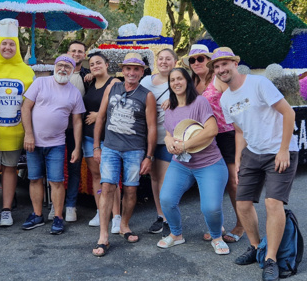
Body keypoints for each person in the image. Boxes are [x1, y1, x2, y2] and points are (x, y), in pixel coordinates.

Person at [210, 47, 299, 281]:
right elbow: (239, 131)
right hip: (253, 152)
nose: (221, 69)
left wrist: (283, 150)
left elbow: (289, 114)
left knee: (272, 203)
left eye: (224, 64)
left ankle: (271, 260)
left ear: (235, 63)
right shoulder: (226, 98)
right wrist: (239, 159)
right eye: (216, 67)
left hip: (279, 150)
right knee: (242, 203)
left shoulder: (259, 84)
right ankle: (256, 247)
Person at [156, 67, 230, 256]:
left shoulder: (200, 102)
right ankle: (176, 234)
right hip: (181, 164)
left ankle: (216, 237)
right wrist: (168, 141)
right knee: (166, 199)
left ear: (187, 81)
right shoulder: (170, 108)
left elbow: (211, 130)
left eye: (180, 78)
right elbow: (168, 133)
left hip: (209, 163)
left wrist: (185, 145)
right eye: (172, 80)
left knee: (211, 207)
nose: (176, 83)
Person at [91, 52, 156, 257]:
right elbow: (100, 118)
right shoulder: (113, 87)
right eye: (128, 68)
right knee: (107, 186)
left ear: (142, 72)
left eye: (136, 69)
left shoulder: (147, 95)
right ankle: (103, 236)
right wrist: (96, 146)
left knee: (130, 190)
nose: (131, 72)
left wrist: (149, 156)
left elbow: (152, 127)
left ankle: (124, 225)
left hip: (134, 150)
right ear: (123, 70)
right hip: (110, 147)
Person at [184, 44, 244, 243]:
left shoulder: (218, 78)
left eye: (200, 58)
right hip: (205, 137)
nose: (196, 63)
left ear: (208, 62)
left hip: (227, 134)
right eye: (192, 60)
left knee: (233, 182)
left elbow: (238, 101)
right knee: (211, 182)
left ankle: (242, 223)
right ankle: (216, 226)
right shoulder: (192, 82)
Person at [0, 19, 35, 230]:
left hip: (16, 132)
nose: (8, 47)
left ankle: (6, 210)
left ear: (17, 47)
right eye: (4, 43)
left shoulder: (27, 72)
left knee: (10, 169)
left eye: (12, 44)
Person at [21, 55, 85, 235]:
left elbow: (78, 122)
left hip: (57, 144)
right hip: (34, 142)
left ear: (72, 71)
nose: (63, 69)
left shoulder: (74, 92)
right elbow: (26, 107)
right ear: (55, 66)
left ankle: (58, 217)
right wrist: (28, 134)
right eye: (60, 65)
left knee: (56, 181)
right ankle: (37, 215)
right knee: (34, 178)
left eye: (67, 66)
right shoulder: (40, 83)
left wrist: (77, 147)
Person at [140, 48, 178, 236]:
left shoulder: (179, 80)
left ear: (175, 62)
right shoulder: (146, 81)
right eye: (161, 59)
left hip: (168, 137)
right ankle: (161, 215)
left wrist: (174, 100)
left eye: (168, 59)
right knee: (154, 178)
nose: (164, 62)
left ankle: (170, 218)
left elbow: (190, 101)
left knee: (165, 180)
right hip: (149, 138)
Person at [83, 52, 122, 233]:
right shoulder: (89, 82)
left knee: (110, 177)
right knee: (96, 176)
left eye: (99, 63)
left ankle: (116, 216)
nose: (95, 66)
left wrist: (100, 114)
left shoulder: (114, 83)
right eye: (92, 64)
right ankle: (101, 211)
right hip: (89, 137)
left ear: (107, 64)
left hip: (108, 137)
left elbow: (121, 107)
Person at [55, 40, 90, 222]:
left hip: (76, 129)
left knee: (74, 167)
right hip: (55, 129)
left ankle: (70, 205)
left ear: (84, 55)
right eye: (73, 50)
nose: (76, 54)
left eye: (80, 51)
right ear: (67, 52)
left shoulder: (87, 76)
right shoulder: (57, 72)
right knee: (55, 167)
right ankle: (56, 203)